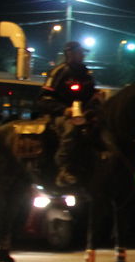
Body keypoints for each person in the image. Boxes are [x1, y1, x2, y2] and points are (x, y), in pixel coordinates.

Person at [37, 41, 101, 188]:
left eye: (83, 53)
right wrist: (64, 110)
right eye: (80, 52)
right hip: (61, 115)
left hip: (83, 114)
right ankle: (63, 168)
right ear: (70, 54)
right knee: (71, 130)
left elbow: (90, 94)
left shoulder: (86, 73)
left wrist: (96, 99)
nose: (83, 55)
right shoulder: (59, 72)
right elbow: (43, 99)